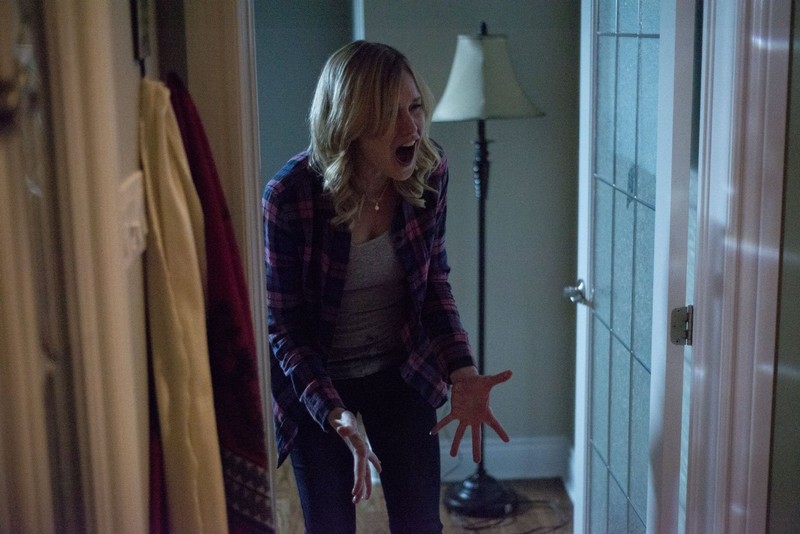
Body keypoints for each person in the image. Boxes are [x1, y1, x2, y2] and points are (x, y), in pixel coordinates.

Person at [263, 40, 512, 534]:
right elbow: (285, 328)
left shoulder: (431, 173)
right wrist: (333, 413)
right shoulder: (289, 197)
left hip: (401, 369)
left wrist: (462, 370)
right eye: (389, 115)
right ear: (349, 123)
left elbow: (434, 283)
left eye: (415, 107)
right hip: (319, 378)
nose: (412, 129)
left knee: (421, 524)